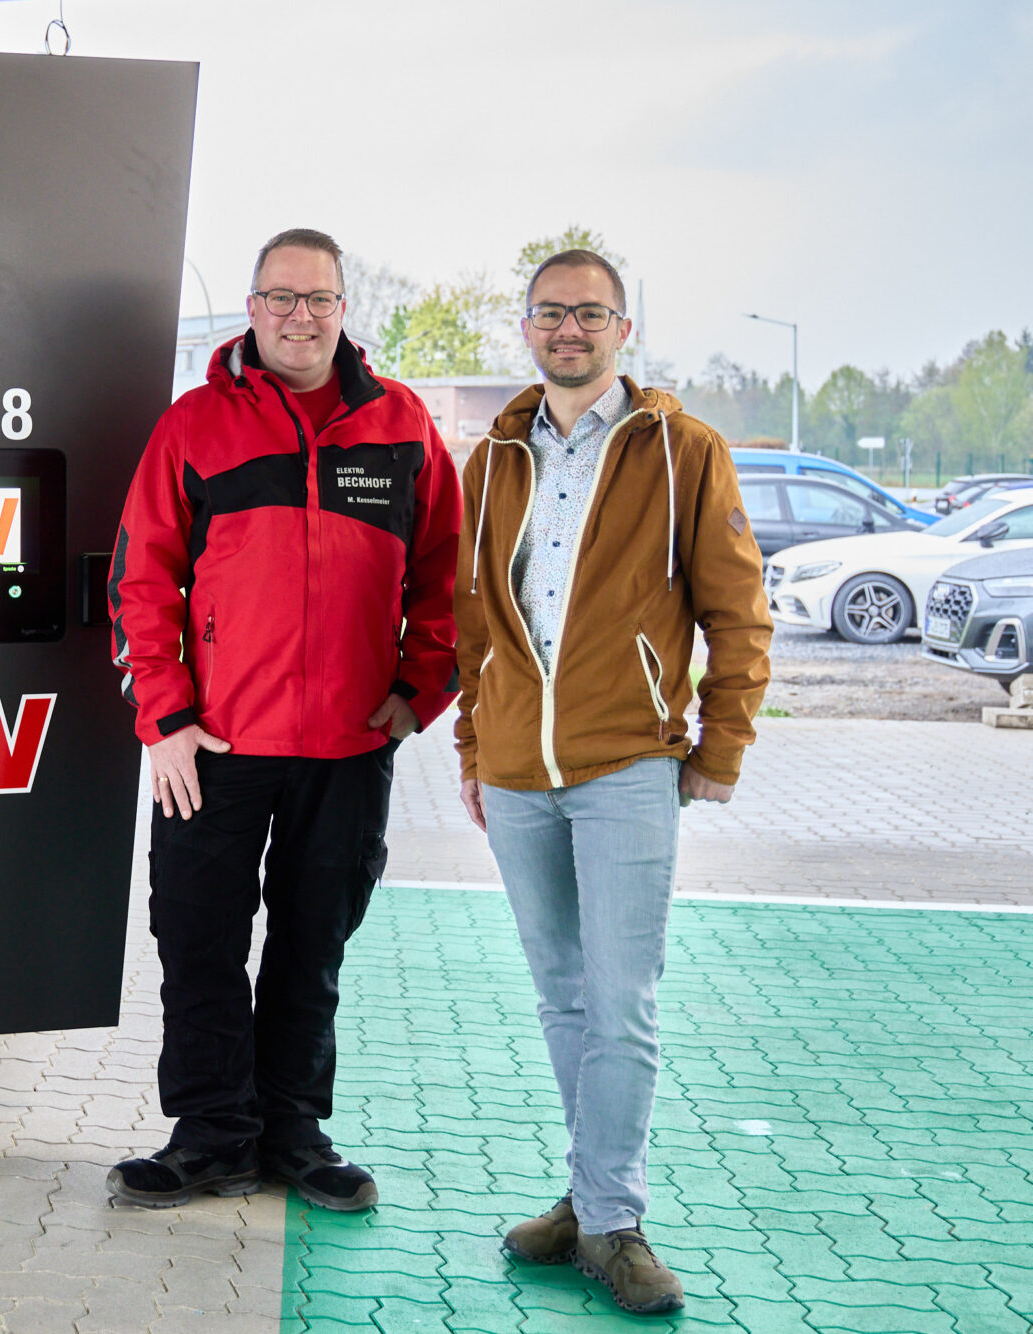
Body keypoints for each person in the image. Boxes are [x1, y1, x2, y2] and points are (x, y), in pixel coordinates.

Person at [104, 228, 461, 1210]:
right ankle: (212, 1134)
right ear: (252, 307)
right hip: (212, 746)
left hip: (348, 745)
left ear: (343, 308)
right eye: (280, 297)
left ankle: (295, 1133)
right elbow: (140, 579)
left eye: (317, 298)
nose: (298, 316)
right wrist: (165, 718)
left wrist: (417, 693)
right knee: (198, 941)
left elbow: (448, 574)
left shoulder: (402, 425)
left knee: (313, 945)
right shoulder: (194, 425)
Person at [453, 249, 772, 1313]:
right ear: (527, 327)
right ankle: (587, 1203)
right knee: (562, 996)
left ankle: (613, 1220)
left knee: (621, 1002)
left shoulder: (683, 451)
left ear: (622, 329)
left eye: (589, 314)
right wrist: (474, 749)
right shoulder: (496, 457)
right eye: (550, 313)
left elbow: (738, 614)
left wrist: (720, 746)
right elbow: (470, 622)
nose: (569, 330)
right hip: (516, 773)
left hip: (627, 762)